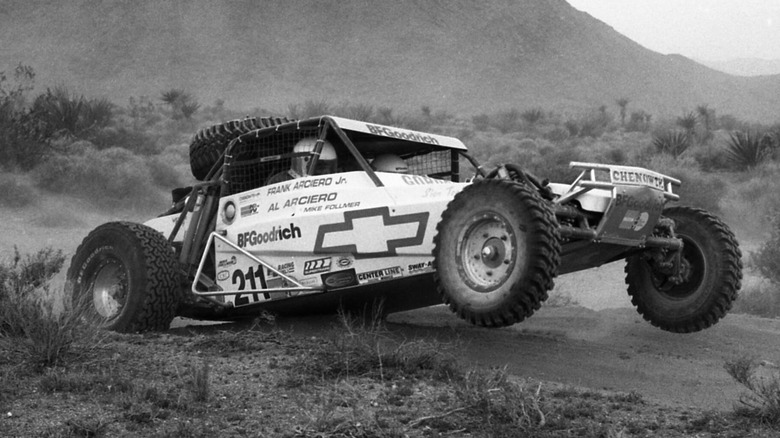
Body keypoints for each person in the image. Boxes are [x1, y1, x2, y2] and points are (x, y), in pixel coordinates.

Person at [266, 137, 337, 185]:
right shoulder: (280, 180)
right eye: (319, 166)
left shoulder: (334, 183)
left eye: (327, 166)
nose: (325, 172)